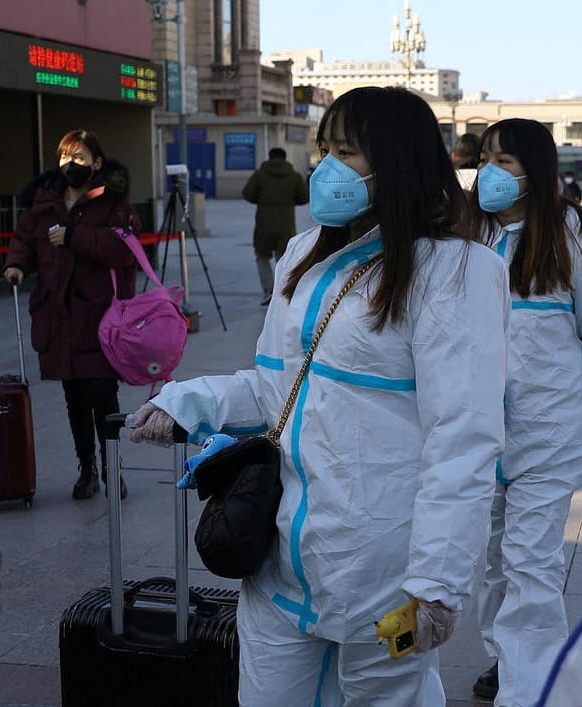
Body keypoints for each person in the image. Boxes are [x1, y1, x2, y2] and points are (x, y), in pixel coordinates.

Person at [128, 86, 509, 705]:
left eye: (348, 152)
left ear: (399, 163)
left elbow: (463, 438)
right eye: (324, 148)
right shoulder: (304, 253)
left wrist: (436, 580)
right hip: (279, 552)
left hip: (387, 572)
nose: (327, 166)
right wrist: (189, 401)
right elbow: (277, 384)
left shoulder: (457, 271)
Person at [465, 118, 582, 707]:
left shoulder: (571, 232)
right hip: (480, 432)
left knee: (529, 559)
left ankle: (530, 687)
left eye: (505, 161)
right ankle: (504, 658)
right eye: (485, 158)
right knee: (489, 557)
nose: (491, 172)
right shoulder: (467, 233)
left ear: (535, 170)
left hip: (552, 429)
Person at [3, 129, 139, 501]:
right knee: (74, 398)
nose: (71, 164)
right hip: (59, 318)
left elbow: (123, 248)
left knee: (103, 397)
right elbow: (25, 241)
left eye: (80, 157)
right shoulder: (43, 202)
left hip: (100, 320)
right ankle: (87, 469)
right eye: (66, 156)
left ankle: (114, 468)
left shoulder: (112, 202)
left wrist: (74, 236)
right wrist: (16, 265)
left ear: (97, 163)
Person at [241, 147, 309, 306]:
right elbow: (304, 197)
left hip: (264, 223)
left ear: (270, 157)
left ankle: (268, 290)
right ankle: (284, 290)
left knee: (262, 257)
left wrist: (262, 200)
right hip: (286, 224)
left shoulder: (260, 174)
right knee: (284, 258)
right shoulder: (294, 176)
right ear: (285, 158)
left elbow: (247, 193)